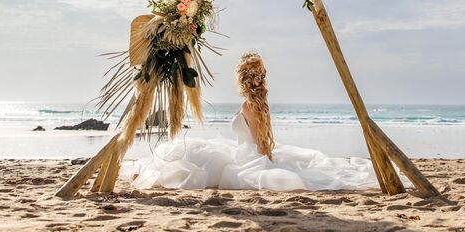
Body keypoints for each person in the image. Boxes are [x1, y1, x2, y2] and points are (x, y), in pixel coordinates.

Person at [121, 53, 381, 190]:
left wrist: (266, 158)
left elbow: (259, 139)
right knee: (193, 153)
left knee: (193, 158)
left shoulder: (250, 105)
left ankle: (148, 174)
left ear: (243, 78)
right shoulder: (258, 103)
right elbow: (264, 135)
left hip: (245, 156)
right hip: (240, 151)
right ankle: (146, 172)